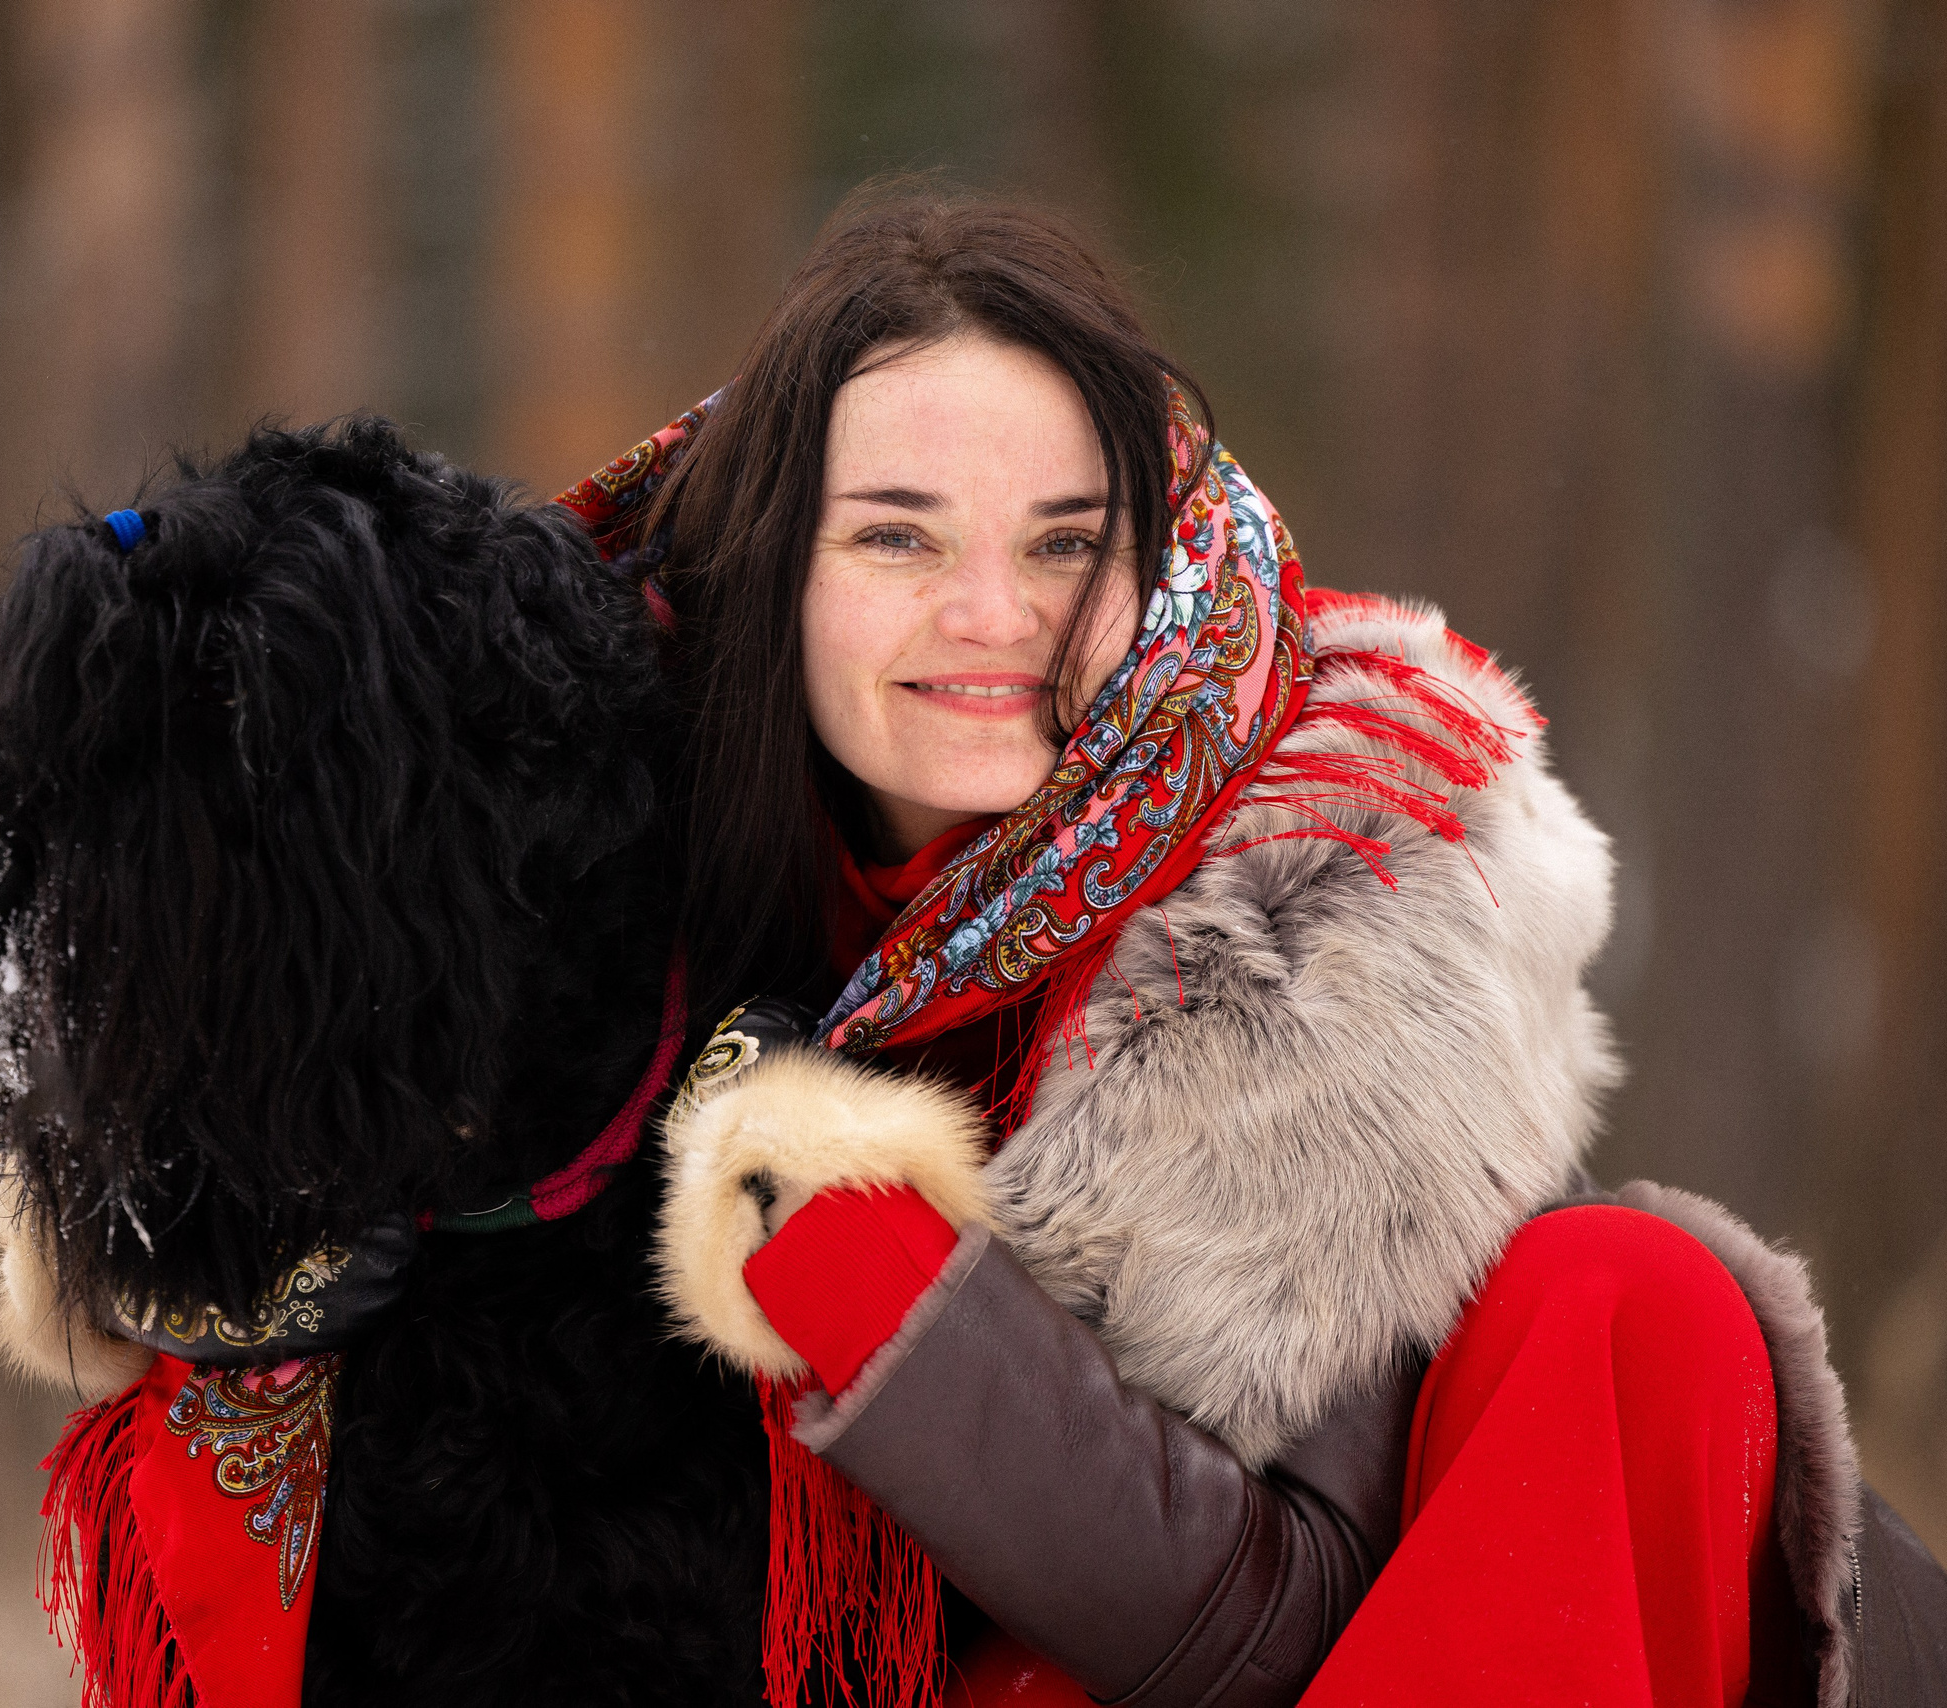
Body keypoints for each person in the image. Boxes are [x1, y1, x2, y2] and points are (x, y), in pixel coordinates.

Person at [595, 191, 1947, 1706]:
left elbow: (1274, 1623)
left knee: (1630, 1293)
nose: (991, 615)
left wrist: (855, 1241)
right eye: (899, 536)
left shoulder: (1315, 902)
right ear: (779, 563)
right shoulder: (621, 894)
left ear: (1155, 570)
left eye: (1065, 544)